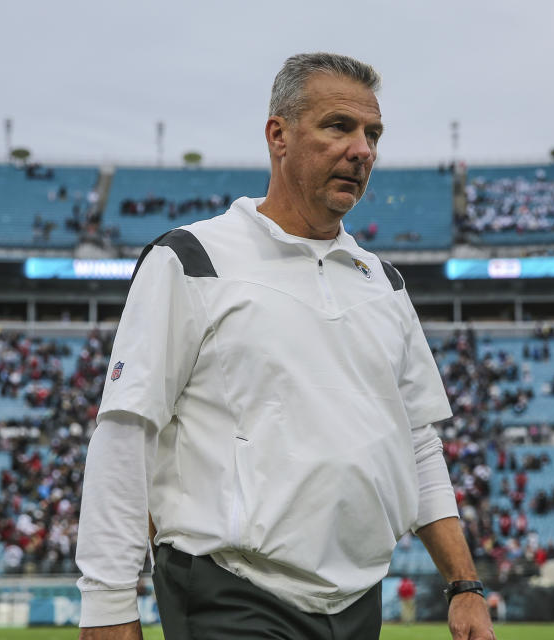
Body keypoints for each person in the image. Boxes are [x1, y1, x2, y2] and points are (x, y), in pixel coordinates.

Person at [75, 53, 495, 640]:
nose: (362, 149)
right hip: (232, 590)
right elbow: (125, 432)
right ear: (279, 135)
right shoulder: (193, 260)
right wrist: (108, 606)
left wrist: (463, 584)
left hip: (355, 599)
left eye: (372, 134)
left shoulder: (384, 283)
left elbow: (418, 445)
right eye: (339, 127)